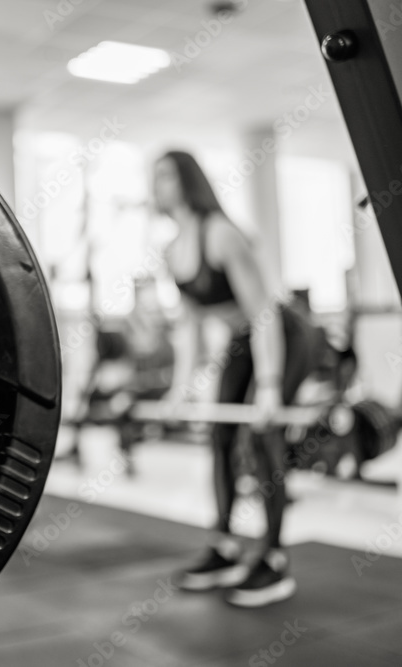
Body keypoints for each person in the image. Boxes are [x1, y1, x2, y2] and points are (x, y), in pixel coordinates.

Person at [153, 150, 320, 607]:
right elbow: (188, 329)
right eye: (154, 176)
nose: (156, 184)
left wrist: (267, 386)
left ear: (189, 181)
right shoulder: (171, 250)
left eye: (165, 175)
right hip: (242, 342)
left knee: (262, 437)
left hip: (282, 333)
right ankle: (226, 547)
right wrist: (177, 390)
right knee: (221, 436)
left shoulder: (222, 235)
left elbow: (263, 312)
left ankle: (274, 559)